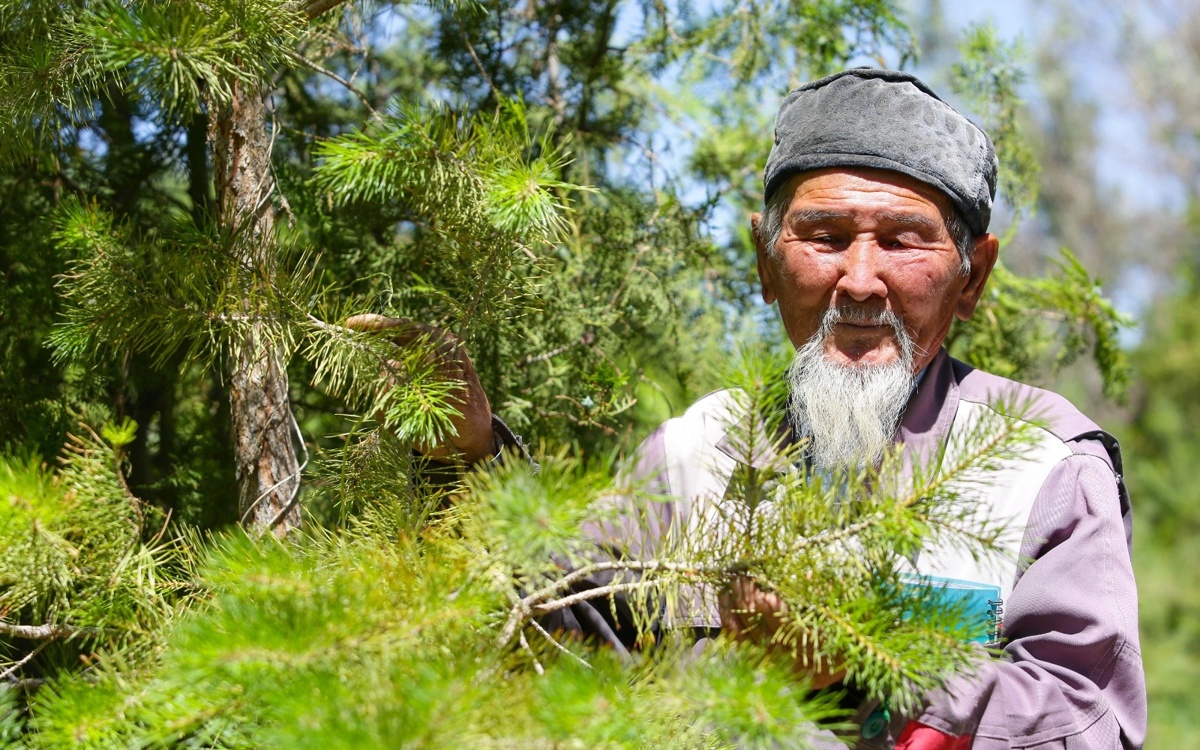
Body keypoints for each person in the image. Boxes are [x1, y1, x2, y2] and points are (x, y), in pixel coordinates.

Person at [350, 68, 1146, 750]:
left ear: (972, 277)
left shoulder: (1042, 464)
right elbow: (555, 635)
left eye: (904, 241)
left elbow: (1094, 724)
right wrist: (464, 455)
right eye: (823, 236)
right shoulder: (699, 451)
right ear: (765, 260)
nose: (860, 279)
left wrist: (867, 669)